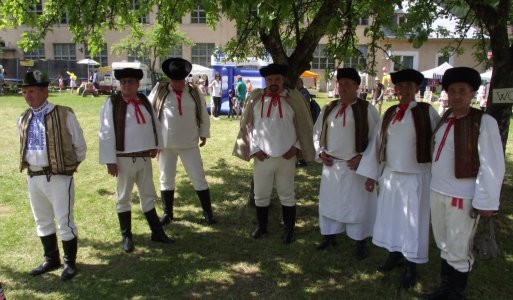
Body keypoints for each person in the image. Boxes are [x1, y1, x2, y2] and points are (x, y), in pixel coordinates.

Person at [424, 67, 505, 299]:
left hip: (463, 194)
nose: (456, 96)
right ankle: (446, 287)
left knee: (459, 244)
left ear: (472, 93)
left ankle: (456, 292)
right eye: (452, 91)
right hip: (437, 190)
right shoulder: (445, 118)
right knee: (443, 241)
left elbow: (493, 165)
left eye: (462, 91)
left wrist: (487, 201)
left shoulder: (483, 121)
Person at [357, 69, 440, 289]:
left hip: (416, 177)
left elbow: (439, 144)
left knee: (413, 223)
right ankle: (394, 255)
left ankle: (411, 264)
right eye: (399, 86)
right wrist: (371, 174)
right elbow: (377, 143)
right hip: (391, 176)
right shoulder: (390, 113)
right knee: (392, 218)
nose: (403, 90)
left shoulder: (427, 112)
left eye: (408, 86)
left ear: (416, 88)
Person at [232, 63, 315, 244]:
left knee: (287, 193)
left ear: (283, 79)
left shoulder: (294, 98)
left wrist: (296, 147)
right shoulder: (256, 99)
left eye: (277, 79)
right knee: (261, 194)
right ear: (265, 81)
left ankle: (289, 230)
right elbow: (247, 126)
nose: (273, 82)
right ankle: (262, 226)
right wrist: (254, 149)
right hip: (262, 156)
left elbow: (305, 125)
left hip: (287, 156)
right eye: (270, 79)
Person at [18, 70, 87, 281]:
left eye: (32, 91)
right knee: (42, 219)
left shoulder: (64, 113)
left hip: (58, 176)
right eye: (25, 92)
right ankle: (51, 259)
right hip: (33, 176)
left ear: (44, 91)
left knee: (64, 220)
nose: (28, 95)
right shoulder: (23, 117)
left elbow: (80, 146)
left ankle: (69, 263)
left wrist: (68, 168)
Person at [99, 67, 173, 253]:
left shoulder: (144, 101)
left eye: (130, 82)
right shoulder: (112, 102)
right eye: (123, 82)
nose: (126, 85)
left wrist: (157, 145)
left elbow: (155, 124)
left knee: (148, 194)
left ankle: (157, 232)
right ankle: (127, 236)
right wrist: (110, 160)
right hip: (123, 158)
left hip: (143, 157)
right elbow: (106, 132)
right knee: (124, 197)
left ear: (138, 84)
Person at [313, 68, 379, 259]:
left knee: (358, 205)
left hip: (355, 167)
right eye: (340, 84)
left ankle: (360, 241)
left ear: (357, 87)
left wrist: (363, 158)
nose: (342, 88)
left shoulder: (367, 109)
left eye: (347, 84)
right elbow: (316, 133)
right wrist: (320, 151)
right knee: (330, 203)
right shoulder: (329, 108)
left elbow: (377, 139)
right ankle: (329, 236)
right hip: (332, 166)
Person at [148, 58, 216, 226]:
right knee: (166, 177)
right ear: (169, 79)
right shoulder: (160, 90)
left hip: (189, 143)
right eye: (173, 80)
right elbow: (149, 111)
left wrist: (203, 133)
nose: (177, 83)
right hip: (165, 144)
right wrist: (152, 141)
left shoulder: (193, 91)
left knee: (198, 177)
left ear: (185, 78)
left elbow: (203, 112)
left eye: (180, 80)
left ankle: (208, 213)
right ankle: (167, 213)